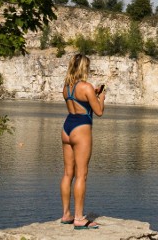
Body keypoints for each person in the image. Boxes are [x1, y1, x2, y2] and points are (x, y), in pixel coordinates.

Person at [59, 53, 106, 230]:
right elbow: (99, 111)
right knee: (81, 174)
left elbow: (79, 101)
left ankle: (66, 215)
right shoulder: (87, 87)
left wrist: (91, 95)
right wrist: (101, 97)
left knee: (67, 173)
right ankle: (79, 218)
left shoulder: (66, 87)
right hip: (81, 128)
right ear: (83, 68)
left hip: (67, 127)